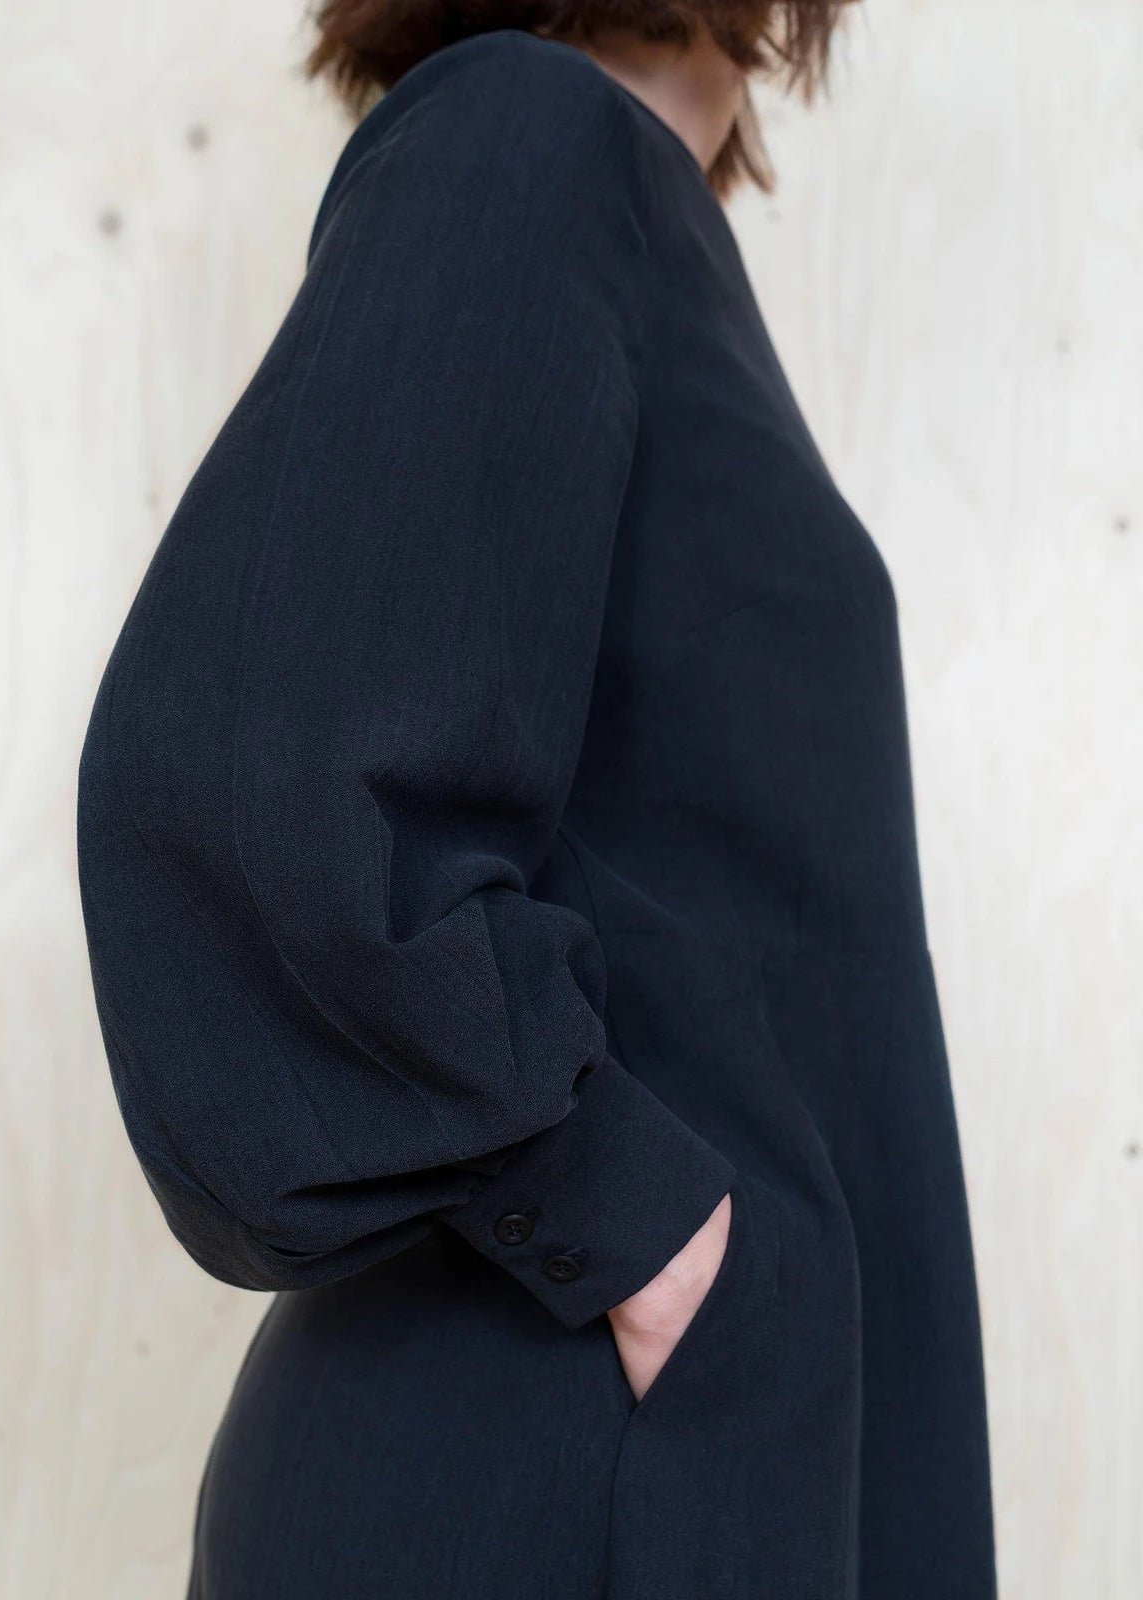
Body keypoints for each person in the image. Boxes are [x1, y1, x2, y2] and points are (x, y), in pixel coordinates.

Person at [76, 7, 997, 1597]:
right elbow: (266, 776)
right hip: (563, 1459)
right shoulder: (526, 135)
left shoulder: (634, 218)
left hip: (679, 1446)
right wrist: (647, 1238)